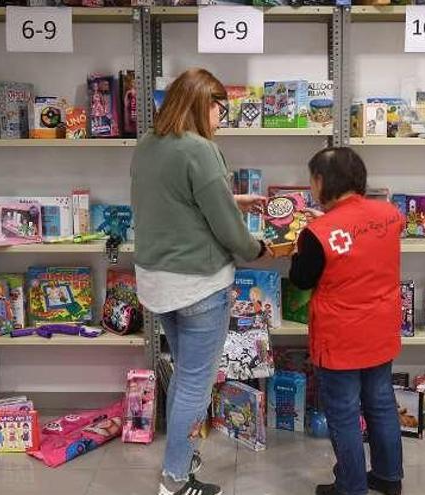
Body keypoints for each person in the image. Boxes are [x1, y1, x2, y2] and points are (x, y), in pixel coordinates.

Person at [130, 68, 269, 495]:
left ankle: (183, 468)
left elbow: (174, 203)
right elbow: (230, 231)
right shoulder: (201, 150)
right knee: (195, 383)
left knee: (183, 378)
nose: (222, 118)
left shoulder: (148, 145)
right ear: (201, 104)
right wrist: (258, 249)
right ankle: (173, 483)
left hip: (157, 283)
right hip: (198, 284)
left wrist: (230, 199)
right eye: (219, 108)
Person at [289, 147, 404, 495]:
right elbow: (359, 241)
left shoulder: (317, 234)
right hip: (381, 330)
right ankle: (388, 477)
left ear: (322, 181)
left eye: (312, 180)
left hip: (339, 338)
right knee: (381, 402)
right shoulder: (390, 214)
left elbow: (301, 280)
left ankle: (350, 487)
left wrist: (300, 245)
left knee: (343, 412)